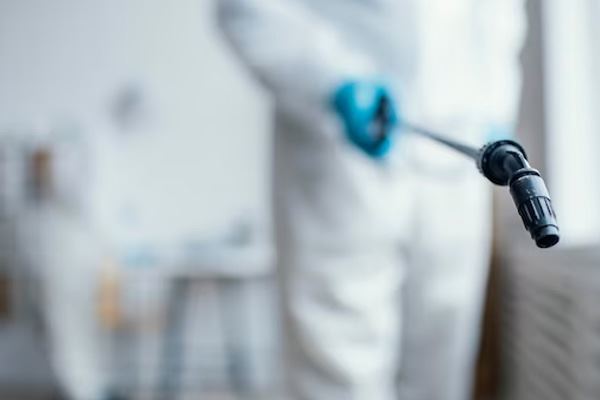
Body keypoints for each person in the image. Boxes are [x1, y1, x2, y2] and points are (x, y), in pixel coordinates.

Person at [217, 1, 526, 399]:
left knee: (442, 365)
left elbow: (500, 18)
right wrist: (330, 80)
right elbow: (249, 8)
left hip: (458, 159)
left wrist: (497, 103)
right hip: (337, 159)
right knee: (337, 372)